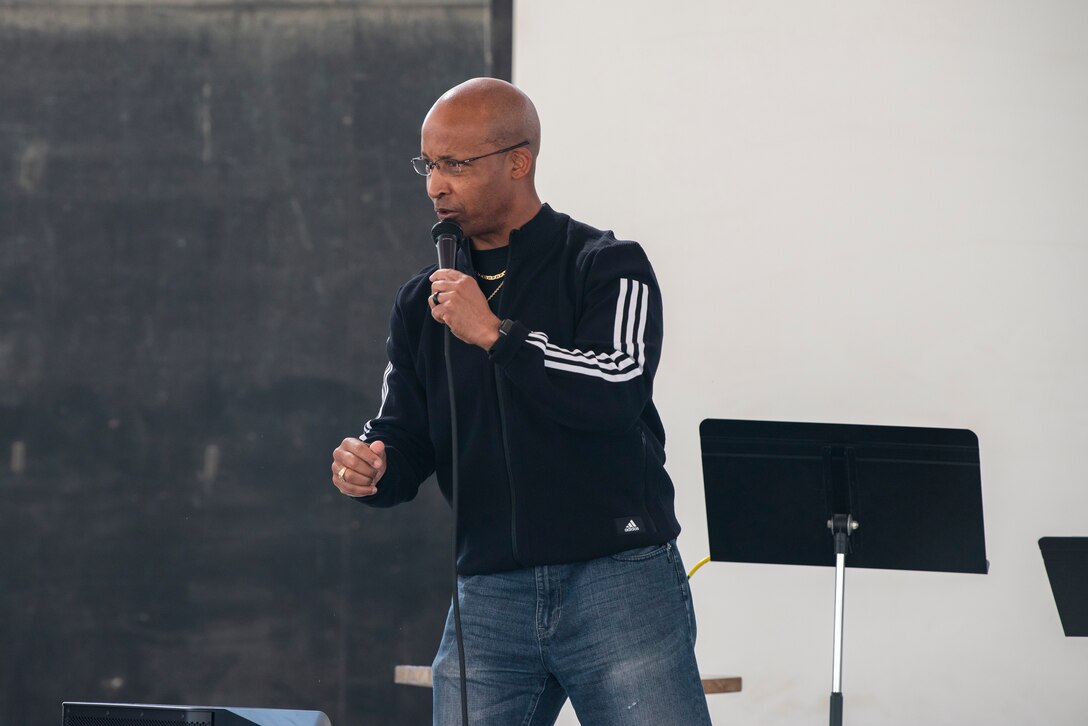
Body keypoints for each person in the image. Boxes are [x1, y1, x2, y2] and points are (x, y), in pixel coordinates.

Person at [331, 78, 711, 725]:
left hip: (614, 577)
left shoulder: (606, 265)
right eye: (429, 163)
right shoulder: (425, 300)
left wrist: (497, 336)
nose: (435, 184)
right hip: (489, 589)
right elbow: (407, 430)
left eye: (456, 164)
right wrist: (374, 466)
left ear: (518, 161)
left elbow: (616, 389)